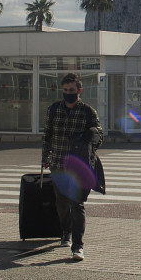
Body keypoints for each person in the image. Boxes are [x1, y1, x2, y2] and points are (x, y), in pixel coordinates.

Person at [41, 73, 104, 261]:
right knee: (61, 203)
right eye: (65, 90)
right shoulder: (54, 110)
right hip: (58, 163)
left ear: (79, 91)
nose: (68, 94)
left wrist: (91, 137)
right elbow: (47, 135)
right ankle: (65, 231)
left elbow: (99, 135)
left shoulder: (87, 112)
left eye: (72, 90)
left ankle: (78, 245)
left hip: (79, 166)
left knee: (77, 204)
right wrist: (46, 157)